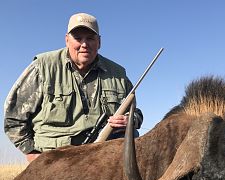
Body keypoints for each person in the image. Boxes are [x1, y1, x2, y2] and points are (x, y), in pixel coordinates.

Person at [4, 12, 143, 162]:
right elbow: (13, 118)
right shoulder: (42, 67)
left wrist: (130, 120)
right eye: (78, 38)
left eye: (90, 38)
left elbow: (137, 114)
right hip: (56, 160)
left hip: (105, 158)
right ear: (67, 40)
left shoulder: (118, 73)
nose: (84, 44)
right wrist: (31, 151)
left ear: (99, 42)